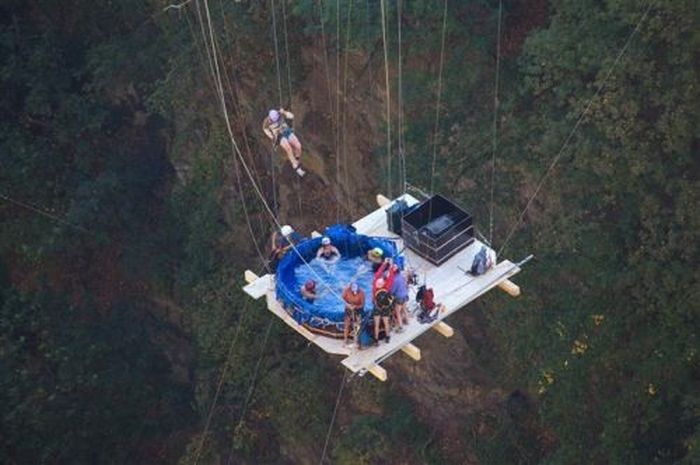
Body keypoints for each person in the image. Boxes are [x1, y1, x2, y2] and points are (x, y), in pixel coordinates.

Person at [262, 108, 305, 177]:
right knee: (288, 148)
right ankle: (295, 166)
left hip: (286, 130)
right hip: (278, 135)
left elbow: (292, 116)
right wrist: (273, 136)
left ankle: (297, 159)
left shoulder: (280, 113)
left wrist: (284, 112)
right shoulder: (266, 123)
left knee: (298, 145)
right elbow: (266, 131)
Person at [342, 282, 365, 347]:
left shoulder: (362, 293)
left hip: (358, 309)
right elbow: (343, 300)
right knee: (347, 324)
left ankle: (356, 340)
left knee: (357, 325)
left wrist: (356, 307)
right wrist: (348, 305)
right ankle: (345, 340)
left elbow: (362, 305)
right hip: (349, 308)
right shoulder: (347, 290)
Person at [372, 277, 394, 344]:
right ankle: (387, 337)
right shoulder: (386, 291)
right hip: (385, 308)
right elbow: (391, 300)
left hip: (377, 309)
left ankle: (376, 339)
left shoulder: (375, 292)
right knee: (386, 323)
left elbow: (373, 301)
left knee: (376, 325)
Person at [390, 265, 410, 332]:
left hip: (399, 297)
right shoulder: (402, 276)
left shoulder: (395, 280)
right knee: (404, 308)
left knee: (397, 312)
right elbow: (406, 284)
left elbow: (392, 291)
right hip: (405, 295)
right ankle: (407, 321)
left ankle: (401, 327)